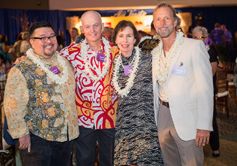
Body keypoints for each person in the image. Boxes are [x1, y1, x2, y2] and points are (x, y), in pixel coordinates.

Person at [3, 21, 79, 166]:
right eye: (42, 38)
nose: (48, 41)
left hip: (65, 136)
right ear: (32, 42)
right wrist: (21, 133)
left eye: (51, 36)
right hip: (38, 138)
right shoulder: (22, 68)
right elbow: (12, 104)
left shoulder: (65, 63)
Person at [152, 3, 214, 166]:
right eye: (158, 19)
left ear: (174, 22)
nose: (162, 23)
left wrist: (204, 125)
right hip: (163, 116)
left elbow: (205, 88)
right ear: (154, 24)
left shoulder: (194, 46)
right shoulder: (154, 53)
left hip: (189, 119)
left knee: (191, 162)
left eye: (167, 18)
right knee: (169, 162)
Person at [60, 11, 118, 166]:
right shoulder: (70, 53)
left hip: (110, 117)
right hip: (83, 118)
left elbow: (130, 70)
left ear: (102, 26)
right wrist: (26, 58)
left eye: (96, 25)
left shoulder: (116, 51)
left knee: (110, 160)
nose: (92, 30)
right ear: (82, 28)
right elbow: (50, 64)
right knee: (84, 160)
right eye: (88, 26)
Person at [112, 20, 163, 166]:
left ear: (135, 38)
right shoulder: (113, 63)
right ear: (115, 39)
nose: (125, 40)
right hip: (124, 124)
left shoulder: (148, 60)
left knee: (148, 162)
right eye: (121, 36)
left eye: (129, 36)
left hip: (145, 124)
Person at [193, 26, 220, 157]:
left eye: (201, 37)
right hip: (193, 92)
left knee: (210, 118)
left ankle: (215, 147)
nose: (198, 40)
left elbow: (211, 73)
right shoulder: (191, 52)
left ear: (206, 38)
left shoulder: (211, 52)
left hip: (207, 91)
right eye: (195, 37)